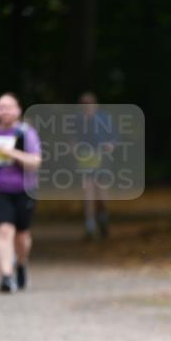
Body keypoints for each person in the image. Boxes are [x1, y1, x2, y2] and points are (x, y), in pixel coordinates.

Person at [0, 93, 42, 293]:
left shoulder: (25, 133)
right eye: (1, 107)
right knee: (3, 231)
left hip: (24, 190)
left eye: (9, 107)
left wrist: (10, 153)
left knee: (21, 235)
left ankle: (21, 264)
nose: (5, 111)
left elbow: (35, 162)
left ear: (18, 109)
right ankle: (6, 275)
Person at [76, 92, 116, 239]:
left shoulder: (104, 118)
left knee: (102, 195)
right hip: (85, 160)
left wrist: (110, 145)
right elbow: (72, 139)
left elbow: (114, 138)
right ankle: (90, 225)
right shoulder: (77, 120)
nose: (87, 107)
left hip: (102, 161)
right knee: (88, 193)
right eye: (84, 104)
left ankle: (102, 218)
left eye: (89, 104)